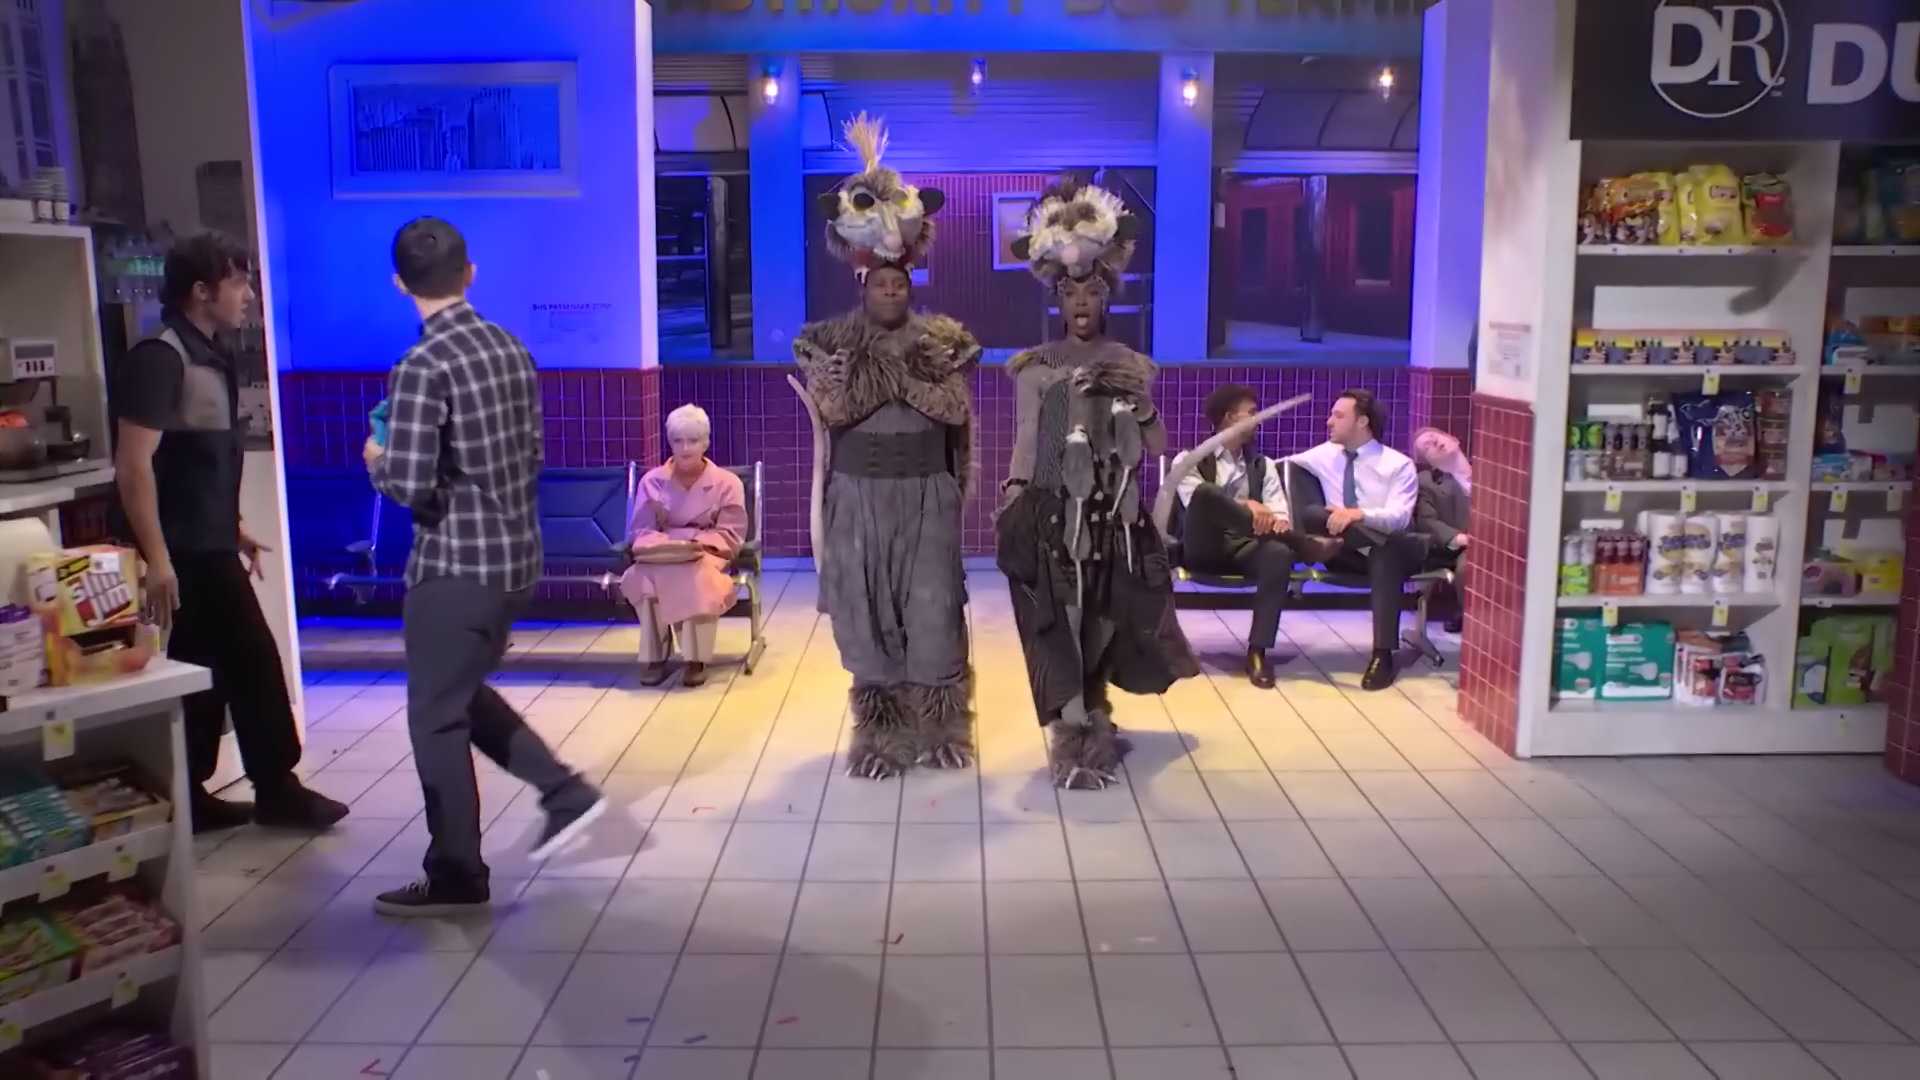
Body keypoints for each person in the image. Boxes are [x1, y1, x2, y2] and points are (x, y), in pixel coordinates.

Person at [363, 217, 604, 916]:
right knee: (459, 692)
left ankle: (457, 875)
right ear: (470, 274)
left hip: (454, 569)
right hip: (516, 560)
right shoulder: (510, 348)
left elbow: (408, 482)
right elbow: (531, 452)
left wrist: (377, 460)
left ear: (400, 284)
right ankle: (565, 793)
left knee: (435, 719)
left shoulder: (420, 366)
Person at [113, 233, 347, 834]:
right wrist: (158, 559)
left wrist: (233, 525)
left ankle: (189, 794)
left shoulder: (207, 354)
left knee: (205, 668)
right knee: (253, 660)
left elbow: (198, 459)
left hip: (208, 540)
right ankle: (277, 789)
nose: (248, 295)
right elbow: (134, 466)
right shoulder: (161, 357)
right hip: (185, 551)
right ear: (201, 291)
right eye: (238, 282)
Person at [791, 114, 979, 780]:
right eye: (881, 284)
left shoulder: (942, 341)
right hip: (858, 498)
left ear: (910, 284)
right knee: (865, 614)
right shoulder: (829, 342)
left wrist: (899, 378)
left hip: (926, 496)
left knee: (932, 610)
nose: (891, 292)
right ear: (863, 283)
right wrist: (881, 381)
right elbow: (833, 410)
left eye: (899, 284)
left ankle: (943, 730)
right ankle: (880, 736)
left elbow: (953, 409)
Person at [997, 176, 1197, 789]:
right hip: (1054, 514)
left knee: (1107, 624)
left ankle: (1096, 716)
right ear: (1057, 300)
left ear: (1106, 297)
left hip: (1117, 518)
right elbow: (1029, 440)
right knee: (1061, 625)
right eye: (1070, 293)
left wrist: (1139, 405)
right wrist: (1014, 498)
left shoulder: (1131, 365)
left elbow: (1156, 444)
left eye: (1090, 292)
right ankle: (1073, 734)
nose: (1081, 303)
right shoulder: (1037, 369)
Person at [1172, 384, 1306, 689]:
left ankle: (1258, 651)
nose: (1259, 419)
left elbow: (1280, 515)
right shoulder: (1188, 460)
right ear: (1230, 417)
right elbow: (1196, 504)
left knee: (1279, 552)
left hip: (1246, 548)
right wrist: (1249, 506)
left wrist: (1275, 521)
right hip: (1204, 547)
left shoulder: (1263, 465)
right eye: (1252, 413)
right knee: (1207, 494)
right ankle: (1305, 546)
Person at [1287, 389, 1422, 691]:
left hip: (1391, 550)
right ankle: (1316, 544)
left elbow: (1400, 518)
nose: (1329, 422)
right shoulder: (1323, 454)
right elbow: (1276, 465)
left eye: (1338, 416)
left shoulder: (1397, 465)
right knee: (1314, 514)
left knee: (1386, 551)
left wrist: (1357, 514)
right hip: (1345, 550)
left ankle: (1382, 655)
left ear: (1362, 422)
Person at [620, 403, 747, 688]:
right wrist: (667, 545)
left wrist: (693, 545)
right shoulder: (652, 481)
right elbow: (641, 529)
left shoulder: (728, 483)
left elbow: (731, 532)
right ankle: (655, 656)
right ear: (670, 443)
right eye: (678, 441)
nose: (686, 448)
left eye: (693, 440)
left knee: (696, 576)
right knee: (642, 578)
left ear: (706, 443)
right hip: (661, 552)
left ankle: (695, 658)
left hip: (706, 553)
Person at [1413, 426, 1471, 635]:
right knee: (1469, 567)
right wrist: (1460, 538)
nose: (1435, 443)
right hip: (1467, 546)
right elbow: (1427, 521)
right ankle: (1473, 618)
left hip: (1505, 542)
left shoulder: (1492, 469)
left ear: (1453, 438)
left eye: (1435, 437)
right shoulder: (1427, 482)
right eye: (1427, 446)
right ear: (1429, 461)